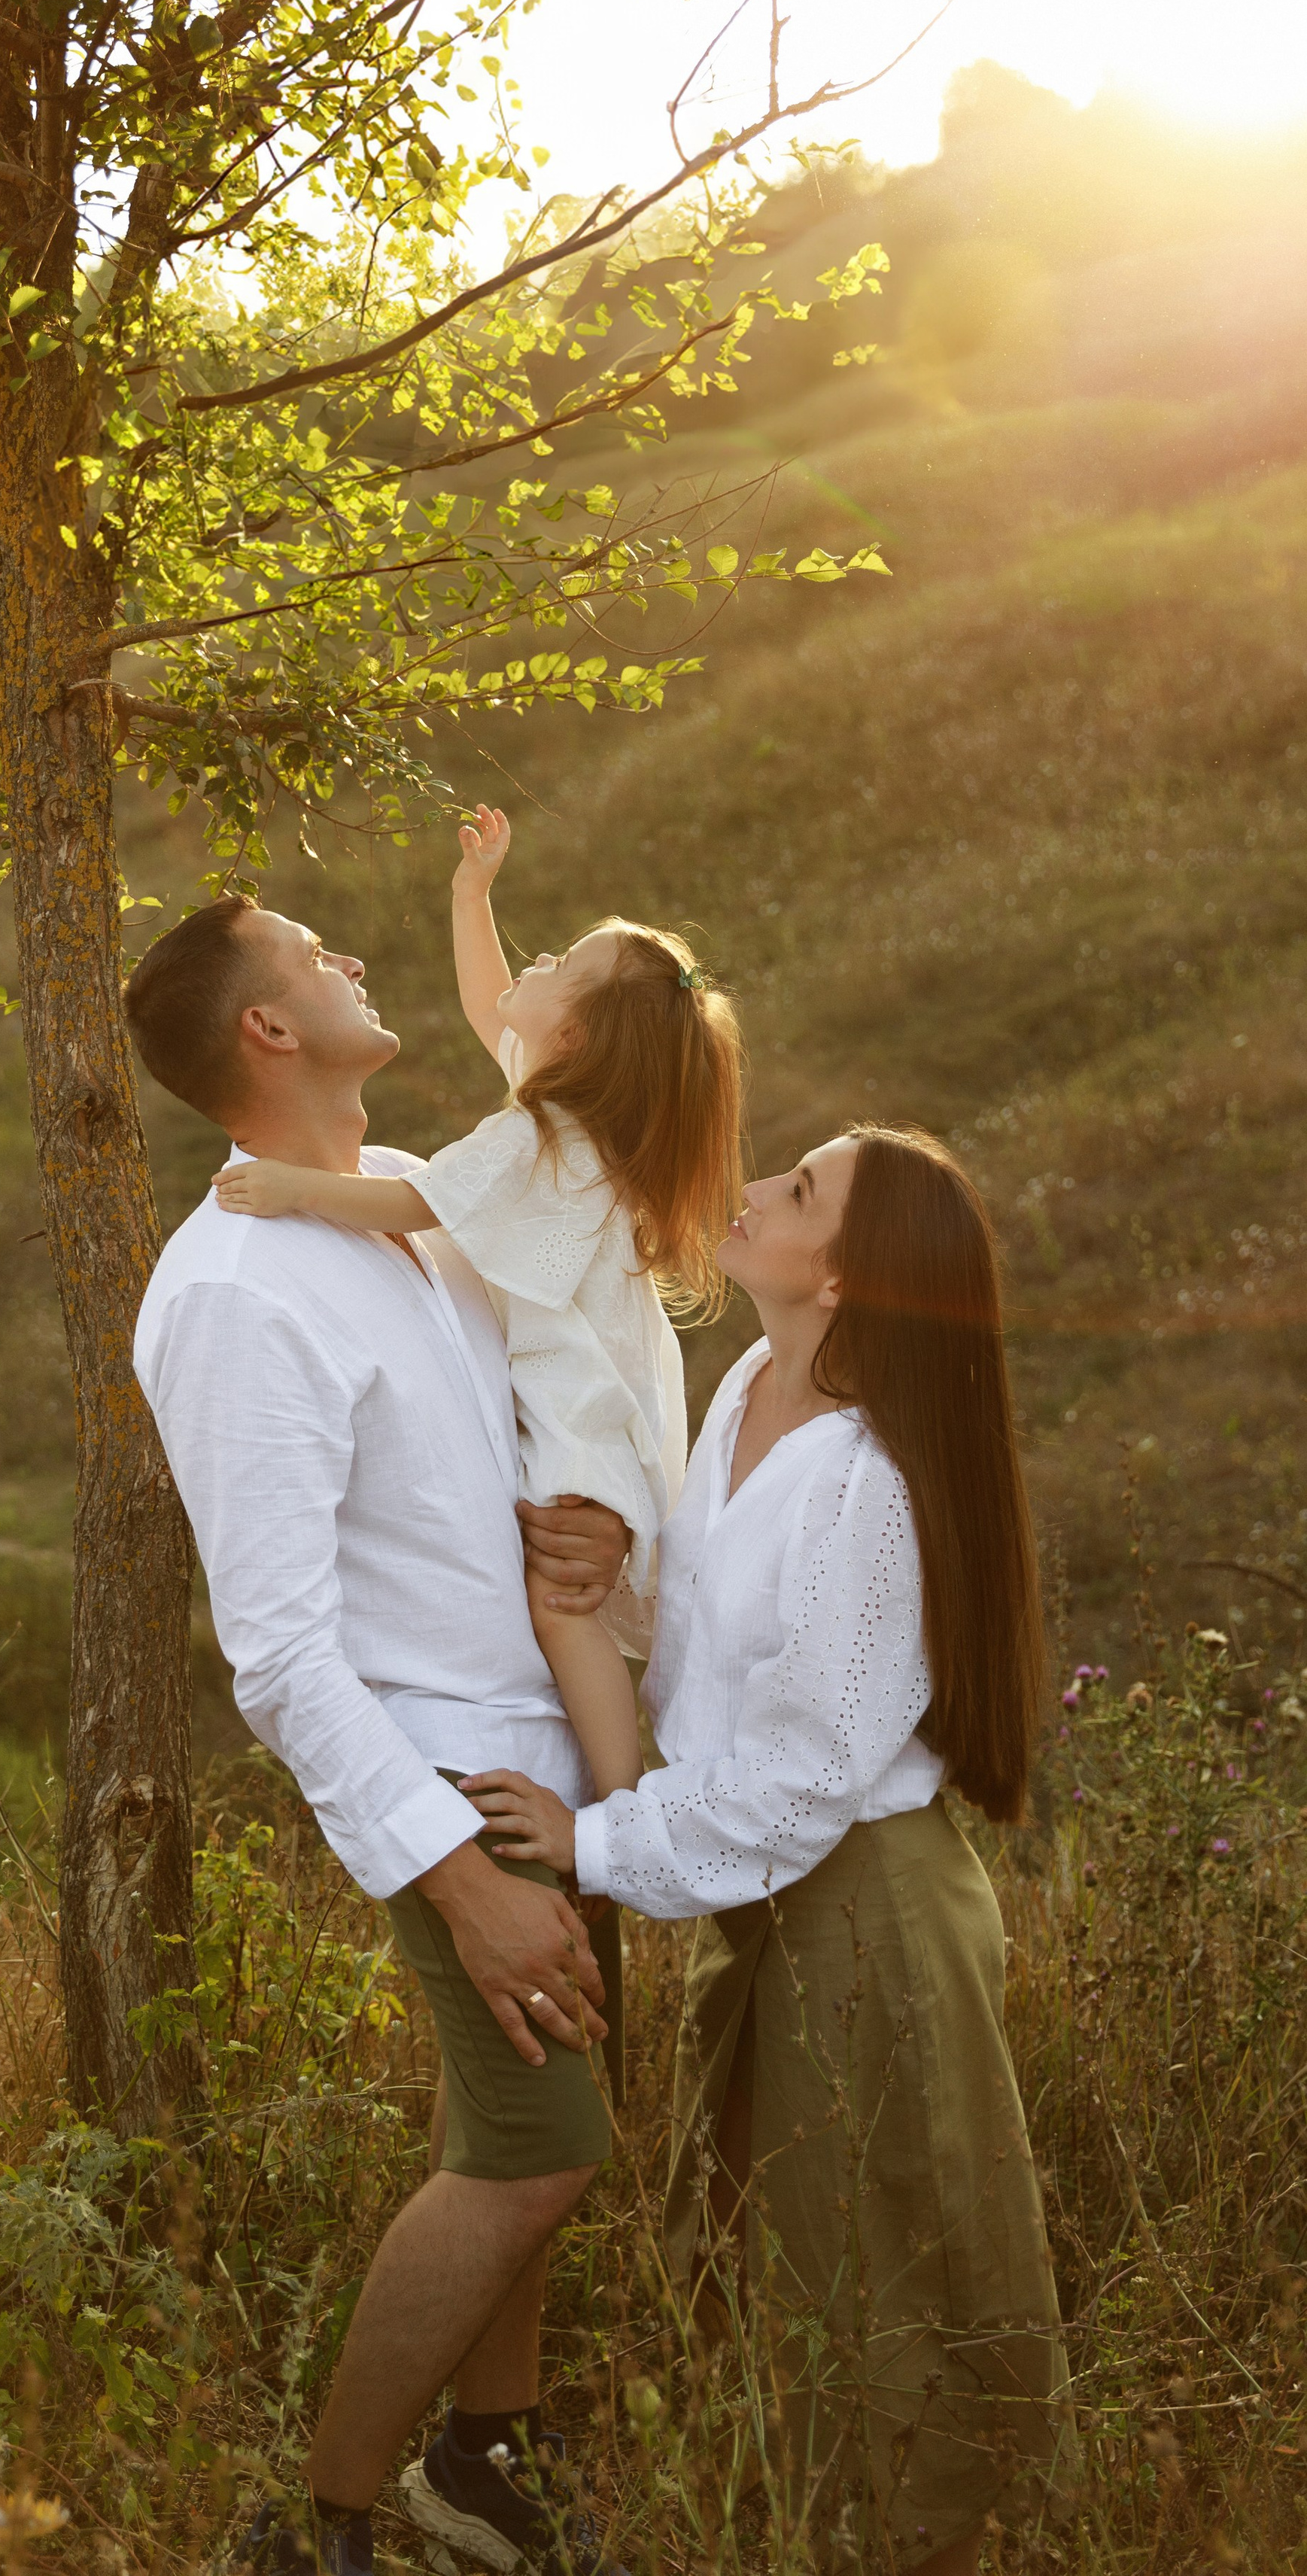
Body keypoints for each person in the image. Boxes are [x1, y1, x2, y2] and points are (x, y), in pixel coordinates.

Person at [465, 1125, 1078, 2576]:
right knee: (775, 2242)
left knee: (880, 2270)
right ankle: (791, 2533)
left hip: (870, 1912)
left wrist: (596, 1838)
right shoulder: (749, 1388)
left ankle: (897, 2545)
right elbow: (705, 1662)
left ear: (850, 1274)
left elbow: (806, 1775)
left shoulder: (865, 1476)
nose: (750, 1194)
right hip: (782, 1902)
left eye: (796, 1192)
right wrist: (597, 1591)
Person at [126, 893, 636, 2576]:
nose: (351, 956)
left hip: (550, 1759)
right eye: (312, 952)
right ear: (266, 1030)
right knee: (542, 2154)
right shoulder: (232, 1290)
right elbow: (270, 1653)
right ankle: (319, 2519)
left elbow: (524, 1427)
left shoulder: (412, 1202)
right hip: (452, 1784)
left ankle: (484, 2458)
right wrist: (453, 1873)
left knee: (518, 2126)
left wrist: (591, 1530)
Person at [213, 803, 743, 1802]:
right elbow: (487, 999)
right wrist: (471, 892)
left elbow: (417, 1202)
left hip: (584, 1401)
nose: (531, 966)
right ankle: (621, 1783)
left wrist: (301, 1191)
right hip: (597, 1388)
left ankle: (620, 1794)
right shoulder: (568, 1106)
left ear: (576, 1032)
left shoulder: (548, 1134)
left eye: (558, 965)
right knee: (563, 1603)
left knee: (562, 1603)